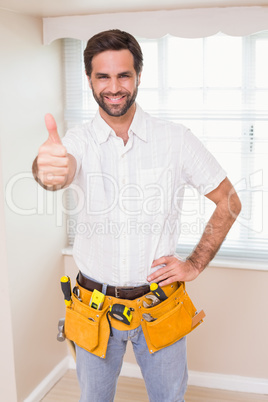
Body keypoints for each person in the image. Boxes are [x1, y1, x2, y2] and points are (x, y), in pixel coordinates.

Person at [32, 29, 241, 402]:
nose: (114, 87)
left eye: (123, 75)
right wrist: (46, 171)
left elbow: (229, 201)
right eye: (103, 76)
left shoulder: (175, 139)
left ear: (139, 76)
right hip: (93, 308)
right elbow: (55, 172)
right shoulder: (76, 142)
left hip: (159, 308)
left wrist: (194, 264)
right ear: (89, 80)